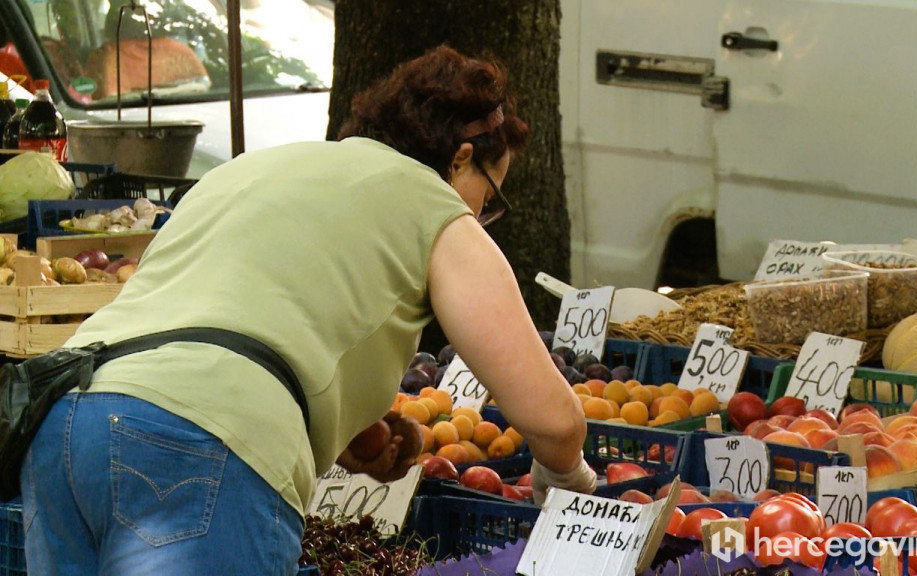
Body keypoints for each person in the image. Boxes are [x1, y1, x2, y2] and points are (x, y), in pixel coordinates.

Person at [20, 44, 595, 575]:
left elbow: (222, 317)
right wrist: (564, 474)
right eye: (490, 198)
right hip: (201, 447)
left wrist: (341, 422)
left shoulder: (254, 168)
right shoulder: (433, 206)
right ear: (462, 157)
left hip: (68, 420)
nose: (481, 215)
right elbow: (553, 416)